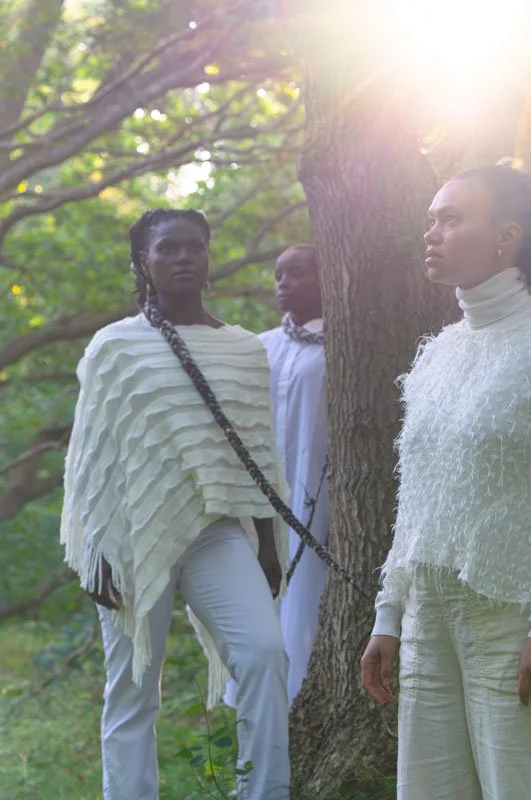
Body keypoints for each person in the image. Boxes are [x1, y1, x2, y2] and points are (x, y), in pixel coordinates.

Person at [360, 164, 531, 799]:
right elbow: (415, 497)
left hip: (521, 617)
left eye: (450, 219)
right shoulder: (438, 352)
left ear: (507, 235)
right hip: (429, 617)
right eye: (430, 220)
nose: (432, 233)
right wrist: (388, 615)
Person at [60, 209, 291, 800]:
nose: (184, 257)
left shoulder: (243, 349)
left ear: (209, 257)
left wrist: (266, 544)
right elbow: (96, 461)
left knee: (265, 654)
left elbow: (258, 458)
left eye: (196, 247)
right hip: (133, 536)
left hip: (219, 534)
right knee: (135, 686)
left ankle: (264, 791)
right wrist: (97, 549)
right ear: (144, 262)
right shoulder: (114, 347)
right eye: (168, 249)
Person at [223, 244, 330, 708]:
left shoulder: (343, 347)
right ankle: (259, 701)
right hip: (263, 495)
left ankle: (304, 696)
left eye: (298, 273)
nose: (283, 283)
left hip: (316, 490)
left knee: (307, 588)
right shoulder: (262, 345)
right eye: (278, 274)